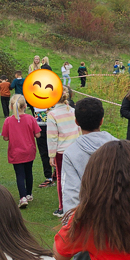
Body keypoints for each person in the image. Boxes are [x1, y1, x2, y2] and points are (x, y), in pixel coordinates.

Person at [60, 98, 118, 260]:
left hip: (87, 216)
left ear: (76, 122)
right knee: (115, 253)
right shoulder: (120, 146)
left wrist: (71, 223)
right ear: (102, 120)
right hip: (117, 213)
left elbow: (70, 190)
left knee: (82, 254)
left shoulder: (71, 152)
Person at [2, 94, 41, 209]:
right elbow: (38, 134)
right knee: (28, 172)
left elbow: (5, 137)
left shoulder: (8, 121)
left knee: (20, 174)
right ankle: (28, 194)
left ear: (10, 107)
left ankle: (22, 197)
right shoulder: (30, 118)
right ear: (25, 106)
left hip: (16, 152)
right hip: (29, 150)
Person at [47, 87, 80, 216]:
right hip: (75, 147)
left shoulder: (52, 114)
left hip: (62, 150)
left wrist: (51, 155)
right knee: (76, 176)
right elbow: (79, 129)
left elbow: (52, 136)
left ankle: (62, 207)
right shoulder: (73, 111)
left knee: (61, 178)